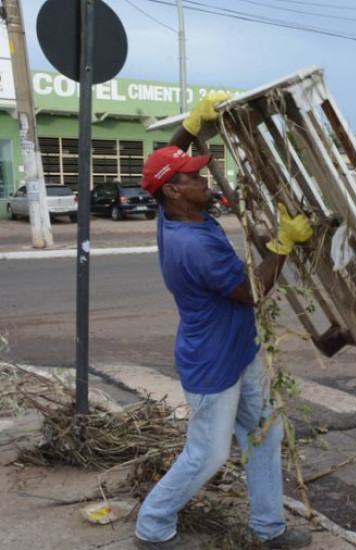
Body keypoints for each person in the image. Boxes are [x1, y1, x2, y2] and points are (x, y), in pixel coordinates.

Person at [135, 93, 314, 550]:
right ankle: (152, 526)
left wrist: (191, 126)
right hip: (213, 363)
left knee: (263, 434)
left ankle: (268, 529)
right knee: (208, 455)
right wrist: (283, 245)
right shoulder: (192, 245)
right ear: (175, 192)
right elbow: (251, 293)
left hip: (242, 349)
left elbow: (165, 166)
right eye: (194, 177)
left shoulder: (174, 210)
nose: (205, 178)